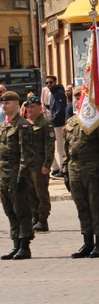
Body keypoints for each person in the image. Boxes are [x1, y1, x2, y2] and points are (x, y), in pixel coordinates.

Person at [63, 88, 99, 258]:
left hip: (92, 167)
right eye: (75, 97)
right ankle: (87, 241)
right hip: (74, 168)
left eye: (81, 97)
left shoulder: (95, 121)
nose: (77, 100)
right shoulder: (71, 122)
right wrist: (65, 169)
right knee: (81, 206)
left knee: (95, 206)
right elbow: (66, 148)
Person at [0, 91, 34, 260]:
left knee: (22, 211)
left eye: (8, 103)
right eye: (2, 103)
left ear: (16, 104)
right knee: (9, 211)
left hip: (16, 174)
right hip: (3, 175)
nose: (4, 106)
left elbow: (26, 154)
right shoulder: (3, 126)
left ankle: (25, 245)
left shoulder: (23, 125)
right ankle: (15, 243)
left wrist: (22, 175)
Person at [24, 97, 54, 233]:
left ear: (39, 107)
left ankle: (43, 220)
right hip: (28, 165)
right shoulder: (26, 123)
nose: (29, 110)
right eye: (28, 107)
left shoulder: (45, 124)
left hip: (39, 165)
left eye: (32, 107)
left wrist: (47, 165)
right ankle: (34, 217)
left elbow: (49, 146)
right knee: (30, 193)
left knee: (41, 193)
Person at [45, 75, 67, 177]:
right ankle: (57, 168)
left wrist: (52, 120)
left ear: (55, 82)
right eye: (47, 83)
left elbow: (60, 110)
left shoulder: (59, 93)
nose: (49, 84)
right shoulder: (52, 93)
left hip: (60, 124)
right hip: (54, 124)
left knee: (60, 148)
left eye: (50, 82)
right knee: (53, 147)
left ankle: (63, 169)